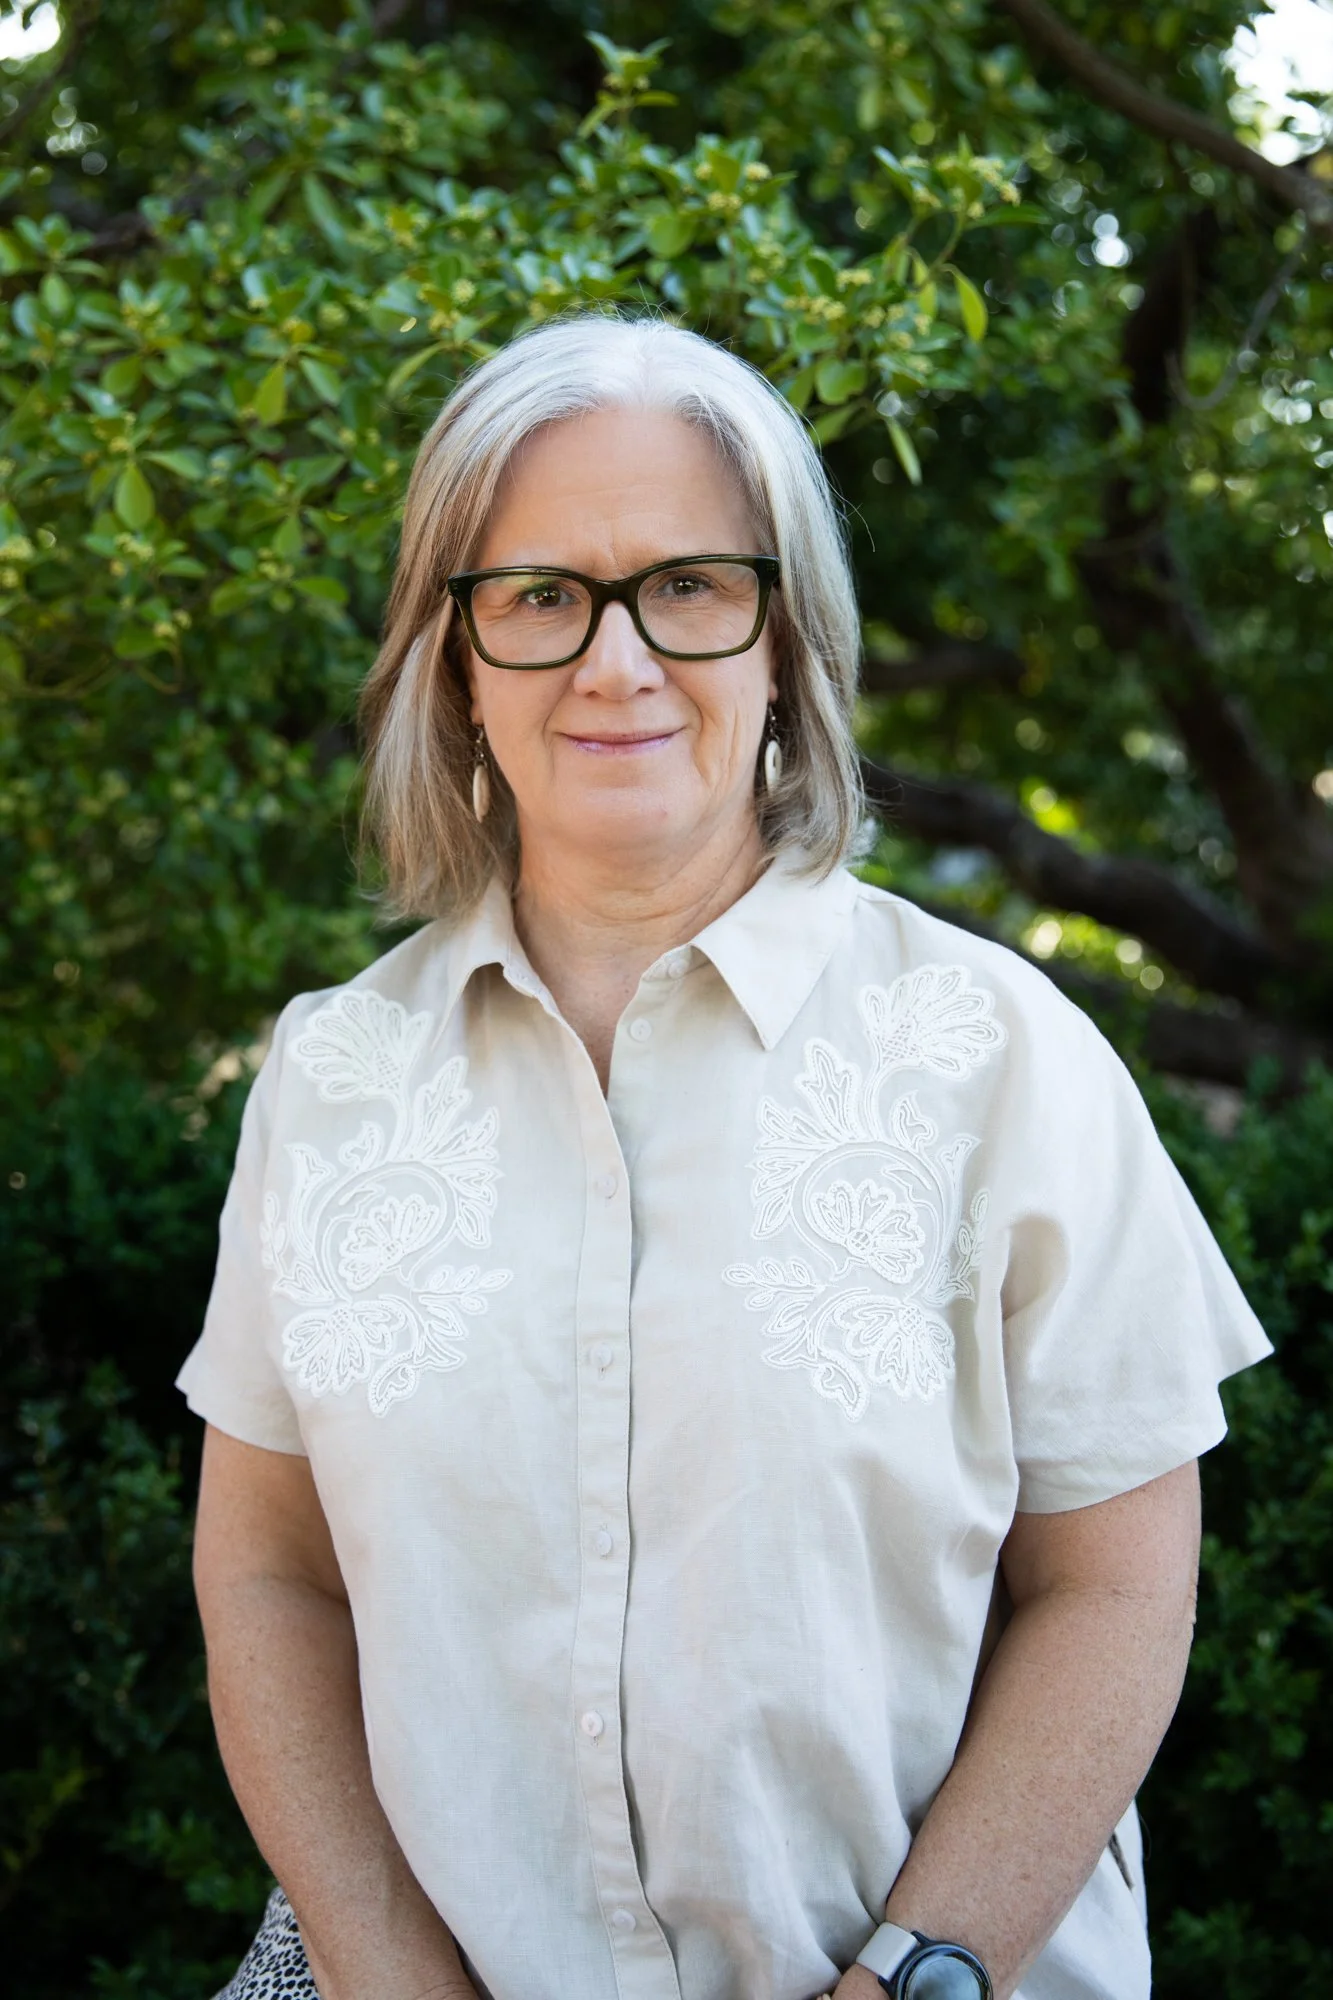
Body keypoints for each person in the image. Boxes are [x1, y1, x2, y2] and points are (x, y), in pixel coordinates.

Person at [178, 313, 1270, 2000]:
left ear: (788, 641)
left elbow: (1113, 1591)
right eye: (539, 595)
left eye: (688, 585)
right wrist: (384, 1969)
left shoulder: (999, 1054)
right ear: (455, 662)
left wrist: (916, 1975)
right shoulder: (332, 1079)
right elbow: (267, 1574)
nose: (615, 662)